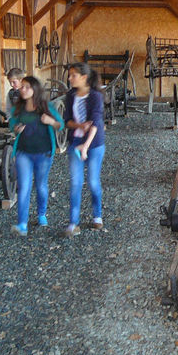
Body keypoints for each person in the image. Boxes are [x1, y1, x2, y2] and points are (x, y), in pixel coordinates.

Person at [8, 76, 65, 236]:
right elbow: (12, 124)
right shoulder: (17, 109)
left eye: (27, 87)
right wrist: (16, 129)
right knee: (24, 187)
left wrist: (51, 122)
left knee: (40, 185)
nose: (22, 89)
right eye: (22, 87)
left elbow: (61, 125)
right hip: (23, 153)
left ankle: (41, 214)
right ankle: (22, 224)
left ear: (35, 90)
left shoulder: (47, 107)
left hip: (44, 153)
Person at [62, 62, 106, 238]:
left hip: (94, 144)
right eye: (70, 75)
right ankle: (73, 222)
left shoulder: (95, 96)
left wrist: (85, 147)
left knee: (93, 182)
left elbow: (95, 123)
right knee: (75, 183)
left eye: (73, 75)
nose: (70, 78)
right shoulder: (70, 95)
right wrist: (79, 125)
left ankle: (97, 215)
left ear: (84, 77)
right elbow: (67, 121)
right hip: (75, 141)